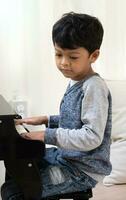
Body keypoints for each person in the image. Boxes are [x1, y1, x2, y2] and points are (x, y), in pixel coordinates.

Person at [1, 12, 112, 199]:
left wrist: (46, 135)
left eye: (73, 57)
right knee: (21, 161)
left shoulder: (94, 87)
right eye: (58, 54)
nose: (63, 63)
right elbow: (76, 120)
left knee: (15, 192)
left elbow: (92, 136)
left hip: (81, 171)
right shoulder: (76, 80)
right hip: (67, 157)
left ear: (94, 56)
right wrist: (47, 120)